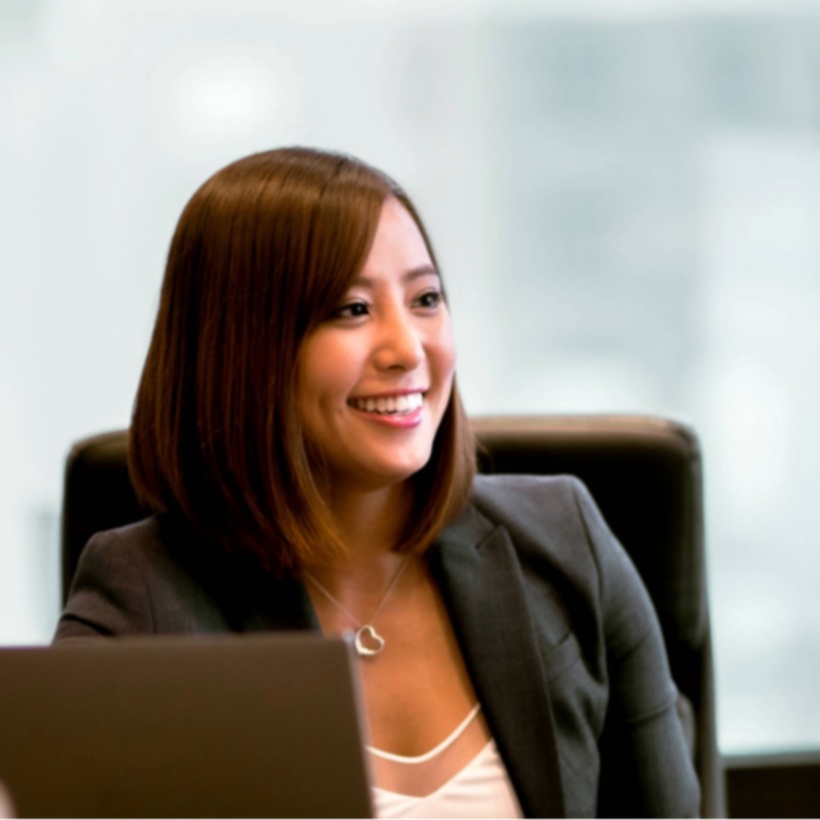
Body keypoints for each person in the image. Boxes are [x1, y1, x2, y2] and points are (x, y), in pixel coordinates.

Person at [55, 147, 700, 818]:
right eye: (352, 309)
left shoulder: (566, 543)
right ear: (239, 349)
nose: (408, 349)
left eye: (426, 299)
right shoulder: (145, 599)